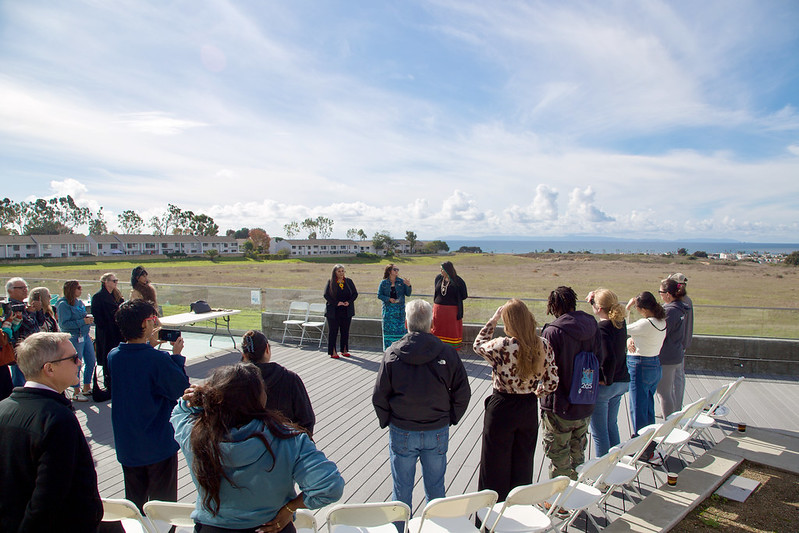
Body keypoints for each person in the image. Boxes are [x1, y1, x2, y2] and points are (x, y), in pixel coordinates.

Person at [172, 363, 344, 533]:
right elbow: (330, 486)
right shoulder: (289, 439)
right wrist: (290, 508)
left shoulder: (193, 436)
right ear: (259, 399)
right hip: (270, 527)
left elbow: (179, 412)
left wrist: (200, 398)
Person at [372, 299, 471, 510]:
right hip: (437, 429)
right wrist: (450, 417)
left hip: (402, 429)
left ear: (406, 324)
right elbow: (463, 393)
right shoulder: (447, 353)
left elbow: (380, 395)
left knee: (401, 491)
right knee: (436, 488)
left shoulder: (392, 354)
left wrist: (389, 420)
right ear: (431, 324)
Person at [0, 332, 103, 532]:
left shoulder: (3, 408)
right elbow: (48, 499)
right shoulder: (57, 419)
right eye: (73, 358)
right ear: (49, 368)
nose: (80, 362)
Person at [473, 299, 559, 501]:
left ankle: (490, 516)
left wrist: (493, 319)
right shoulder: (543, 345)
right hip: (528, 406)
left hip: (502, 407)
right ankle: (519, 511)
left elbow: (478, 345)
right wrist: (538, 392)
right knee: (523, 463)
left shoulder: (502, 345)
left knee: (494, 464)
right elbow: (553, 382)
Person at [108, 299, 190, 512]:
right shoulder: (157, 360)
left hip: (128, 444)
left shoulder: (114, 356)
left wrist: (149, 346)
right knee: (163, 507)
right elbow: (179, 389)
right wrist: (177, 357)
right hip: (157, 445)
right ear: (145, 324)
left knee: (135, 504)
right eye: (154, 320)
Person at [540, 286, 602, 480]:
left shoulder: (553, 332)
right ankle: (576, 495)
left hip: (560, 404)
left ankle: (560, 506)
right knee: (578, 454)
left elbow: (545, 368)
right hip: (585, 401)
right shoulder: (592, 324)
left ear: (554, 306)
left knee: (559, 457)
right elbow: (601, 356)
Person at [241, 329, 316, 435]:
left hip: (245, 448)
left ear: (244, 355)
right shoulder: (290, 379)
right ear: (267, 349)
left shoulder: (232, 383)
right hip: (286, 446)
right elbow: (307, 420)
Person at [585, 289, 630, 457]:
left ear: (598, 308)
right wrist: (594, 299)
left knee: (599, 433)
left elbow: (608, 357)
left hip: (607, 386)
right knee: (612, 425)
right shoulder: (619, 322)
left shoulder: (602, 328)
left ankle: (602, 473)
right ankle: (615, 462)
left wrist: (604, 379)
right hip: (621, 382)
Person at [625, 291, 667, 435]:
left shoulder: (645, 323)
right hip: (654, 364)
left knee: (637, 407)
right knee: (648, 405)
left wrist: (627, 308)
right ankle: (650, 440)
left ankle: (640, 442)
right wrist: (630, 340)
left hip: (639, 365)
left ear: (642, 309)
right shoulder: (661, 321)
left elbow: (621, 328)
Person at [56, 280, 96, 402]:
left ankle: (87, 386)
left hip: (84, 335)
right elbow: (64, 324)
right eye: (78, 288)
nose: (81, 290)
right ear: (72, 289)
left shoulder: (79, 302)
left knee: (91, 360)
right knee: (76, 364)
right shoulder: (63, 305)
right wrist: (83, 322)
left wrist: (87, 322)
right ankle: (76, 390)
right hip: (74, 337)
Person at [656, 278, 691, 419]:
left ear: (668, 294)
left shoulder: (670, 311)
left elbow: (661, 331)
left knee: (664, 392)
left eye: (661, 292)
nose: (660, 295)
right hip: (676, 354)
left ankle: (669, 425)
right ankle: (674, 419)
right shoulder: (681, 307)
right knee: (670, 389)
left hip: (667, 358)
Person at [2, 277, 42, 395]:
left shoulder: (23, 305)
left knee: (28, 377)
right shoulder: (9, 307)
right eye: (21, 288)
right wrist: (31, 312)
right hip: (19, 348)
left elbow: (39, 323)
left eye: (26, 287)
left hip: (30, 347)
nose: (25, 290)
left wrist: (38, 310)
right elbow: (28, 325)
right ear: (10, 290)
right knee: (20, 378)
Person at [91, 272, 125, 390]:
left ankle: (118, 381)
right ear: (106, 282)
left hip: (117, 332)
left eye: (116, 280)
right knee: (107, 357)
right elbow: (98, 317)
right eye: (113, 281)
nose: (116, 283)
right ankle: (109, 383)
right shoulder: (98, 297)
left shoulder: (117, 296)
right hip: (106, 333)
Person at [667, 272, 693, 411]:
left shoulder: (681, 303)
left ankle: (675, 409)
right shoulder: (686, 301)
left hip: (677, 345)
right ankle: (674, 407)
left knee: (677, 378)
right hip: (681, 344)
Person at [323, 264, 358, 359]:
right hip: (334, 312)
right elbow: (326, 295)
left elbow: (355, 294)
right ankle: (333, 351)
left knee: (345, 331)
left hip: (346, 311)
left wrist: (349, 302)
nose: (341, 273)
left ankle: (344, 350)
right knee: (333, 332)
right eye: (339, 271)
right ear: (335, 272)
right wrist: (336, 303)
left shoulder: (349, 281)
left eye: (343, 271)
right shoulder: (330, 282)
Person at [431, 261, 468, 349]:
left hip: (451, 311)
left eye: (442, 269)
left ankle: (451, 349)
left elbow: (464, 295)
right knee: (437, 328)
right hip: (438, 310)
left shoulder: (458, 281)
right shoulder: (438, 278)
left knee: (451, 329)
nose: (441, 271)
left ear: (448, 270)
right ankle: (437, 346)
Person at [377, 263, 412, 349]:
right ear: (389, 271)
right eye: (395, 269)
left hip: (399, 311)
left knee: (401, 331)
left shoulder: (401, 281)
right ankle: (388, 350)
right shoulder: (384, 283)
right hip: (388, 311)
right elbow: (379, 295)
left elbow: (408, 294)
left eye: (397, 270)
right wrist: (388, 299)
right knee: (388, 331)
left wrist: (409, 286)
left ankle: (401, 349)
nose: (397, 271)